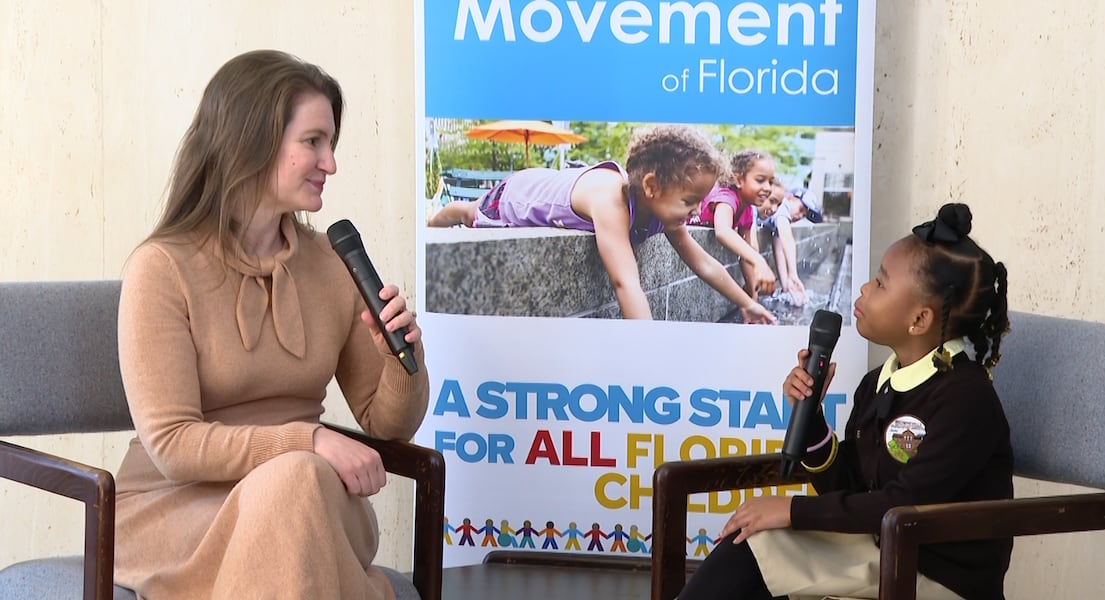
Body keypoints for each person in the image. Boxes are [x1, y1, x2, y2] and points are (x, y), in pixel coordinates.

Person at [114, 49, 430, 599]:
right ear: (251, 140)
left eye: (331, 144)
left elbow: (388, 428)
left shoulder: (331, 263)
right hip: (181, 509)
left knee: (296, 487)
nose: (330, 163)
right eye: (314, 142)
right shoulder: (161, 268)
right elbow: (172, 443)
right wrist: (306, 440)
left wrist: (399, 359)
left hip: (312, 501)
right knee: (296, 486)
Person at [677, 203, 1012, 600]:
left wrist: (791, 509)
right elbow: (854, 484)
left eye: (881, 284)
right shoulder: (879, 383)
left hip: (936, 574)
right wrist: (812, 415)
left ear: (919, 320)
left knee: (765, 546)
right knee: (753, 543)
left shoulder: (965, 398)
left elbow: (906, 504)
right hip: (881, 547)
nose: (865, 290)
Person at [426, 124, 776, 324]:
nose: (698, 209)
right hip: (517, 195)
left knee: (472, 212)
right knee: (471, 213)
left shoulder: (661, 203)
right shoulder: (613, 201)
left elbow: (703, 262)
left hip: (547, 180)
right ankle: (440, 217)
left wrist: (746, 302)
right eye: (690, 201)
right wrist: (653, 351)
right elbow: (625, 283)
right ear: (652, 186)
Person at [689, 149, 778, 303]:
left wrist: (752, 295)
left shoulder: (748, 209)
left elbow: (747, 252)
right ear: (738, 180)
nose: (768, 188)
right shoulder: (727, 197)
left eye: (770, 182)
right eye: (760, 180)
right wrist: (759, 262)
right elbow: (723, 232)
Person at [757, 180, 807, 306]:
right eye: (801, 209)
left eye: (804, 215)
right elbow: (787, 236)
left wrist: (787, 285)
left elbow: (778, 248)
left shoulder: (776, 209)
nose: (800, 216)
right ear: (789, 198)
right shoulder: (783, 205)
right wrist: (793, 274)